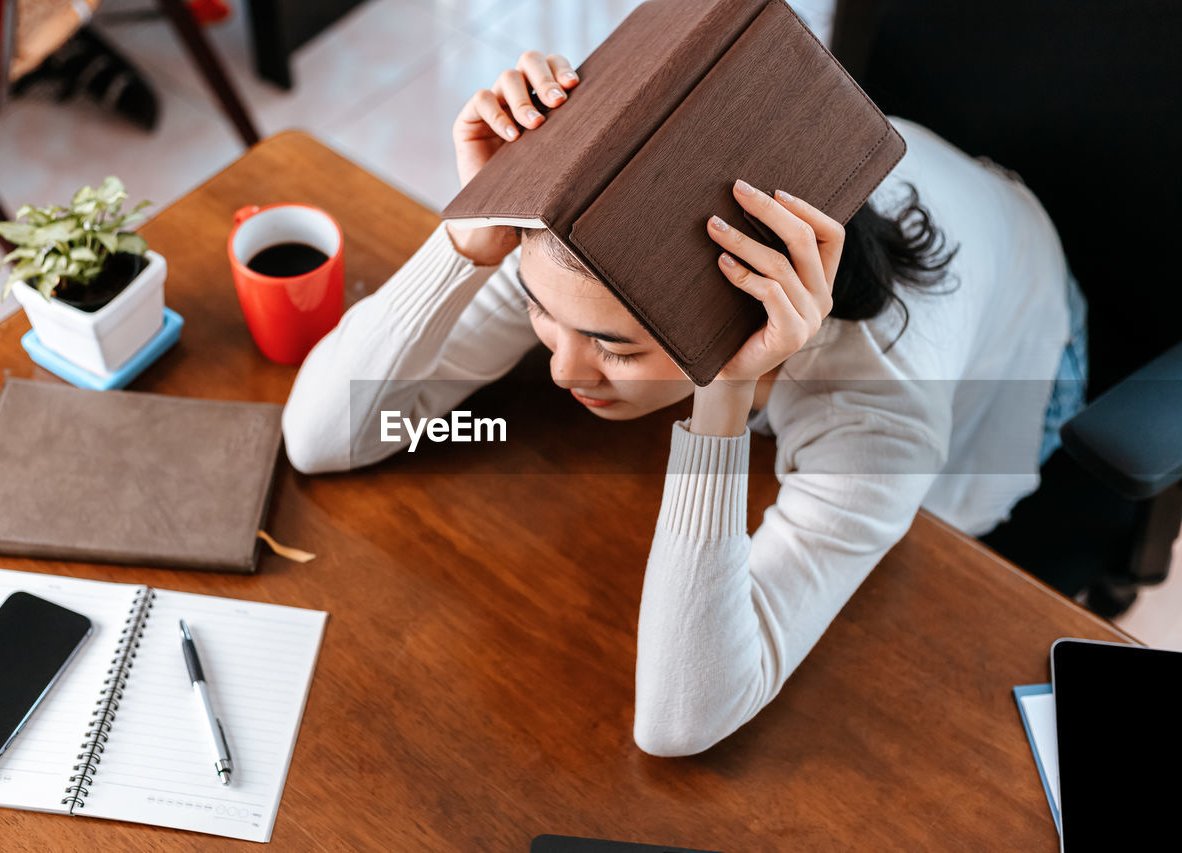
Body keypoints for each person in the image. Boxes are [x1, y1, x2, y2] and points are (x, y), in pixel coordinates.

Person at [282, 51, 1086, 756]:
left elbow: (679, 718)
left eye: (617, 347)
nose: (563, 370)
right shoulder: (580, 268)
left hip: (1021, 356)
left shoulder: (886, 411)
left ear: (737, 318)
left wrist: (725, 395)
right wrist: (464, 240)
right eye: (538, 308)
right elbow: (321, 436)